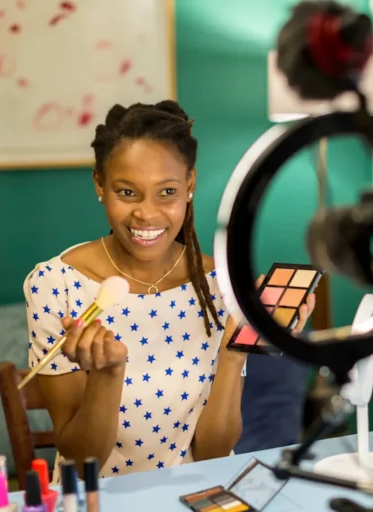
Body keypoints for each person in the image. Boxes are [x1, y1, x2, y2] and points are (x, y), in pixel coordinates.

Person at [24, 100, 315, 480]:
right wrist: (107, 376)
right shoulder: (54, 286)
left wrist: (234, 352)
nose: (147, 214)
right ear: (99, 185)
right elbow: (82, 463)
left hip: (194, 495)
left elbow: (213, 452)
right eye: (127, 192)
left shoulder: (220, 284)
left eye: (167, 192)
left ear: (189, 185)